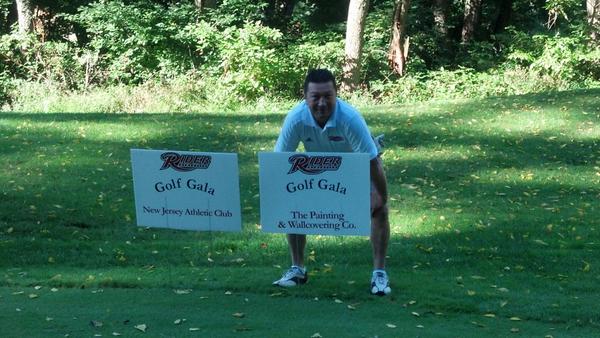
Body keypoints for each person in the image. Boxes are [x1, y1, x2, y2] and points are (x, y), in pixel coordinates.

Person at [272, 68, 391, 296]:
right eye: (315, 97)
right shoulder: (296, 118)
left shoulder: (350, 118)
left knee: (380, 210)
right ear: (305, 96)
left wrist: (380, 195)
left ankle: (379, 274)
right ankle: (298, 269)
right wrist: (280, 197)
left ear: (337, 94)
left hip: (355, 169)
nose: (322, 103)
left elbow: (372, 160)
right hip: (315, 171)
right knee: (293, 205)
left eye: (328, 96)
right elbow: (279, 162)